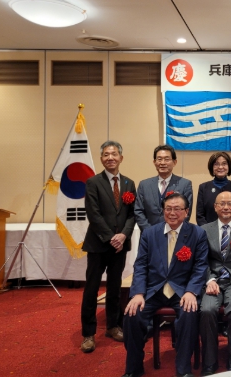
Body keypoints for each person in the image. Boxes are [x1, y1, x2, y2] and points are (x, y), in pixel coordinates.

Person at [121, 192, 208, 377]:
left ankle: (183, 370)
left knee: (189, 315)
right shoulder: (150, 233)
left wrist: (191, 291)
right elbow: (140, 265)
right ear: (163, 211)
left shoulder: (197, 233)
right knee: (132, 314)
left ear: (186, 211)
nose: (172, 213)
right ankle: (134, 369)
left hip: (182, 291)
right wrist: (138, 293)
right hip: (153, 290)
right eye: (168, 208)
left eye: (177, 209)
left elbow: (200, 267)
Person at [80, 140, 136, 354]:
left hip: (120, 246)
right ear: (101, 158)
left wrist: (123, 235)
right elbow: (93, 214)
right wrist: (111, 237)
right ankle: (88, 333)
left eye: (114, 154)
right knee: (92, 289)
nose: (110, 157)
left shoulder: (129, 183)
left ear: (121, 157)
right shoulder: (93, 182)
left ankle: (113, 326)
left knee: (114, 288)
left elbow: (132, 214)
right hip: (98, 244)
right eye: (106, 154)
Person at [199, 191, 231, 375]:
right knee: (207, 310)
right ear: (215, 207)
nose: (226, 207)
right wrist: (209, 279)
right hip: (213, 280)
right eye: (222, 203)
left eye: (230, 204)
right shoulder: (204, 230)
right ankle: (209, 360)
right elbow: (201, 260)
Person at [134, 144, 193, 232]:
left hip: (174, 234)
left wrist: (171, 230)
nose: (162, 163)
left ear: (174, 162)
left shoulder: (185, 184)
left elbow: (186, 212)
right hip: (148, 235)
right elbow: (138, 211)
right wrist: (150, 232)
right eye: (159, 159)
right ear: (154, 162)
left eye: (167, 159)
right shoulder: (144, 185)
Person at [196, 152, 231, 226]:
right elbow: (200, 215)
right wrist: (207, 230)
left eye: (224, 164)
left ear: (229, 166)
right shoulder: (203, 187)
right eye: (216, 164)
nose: (220, 167)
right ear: (212, 167)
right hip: (208, 231)